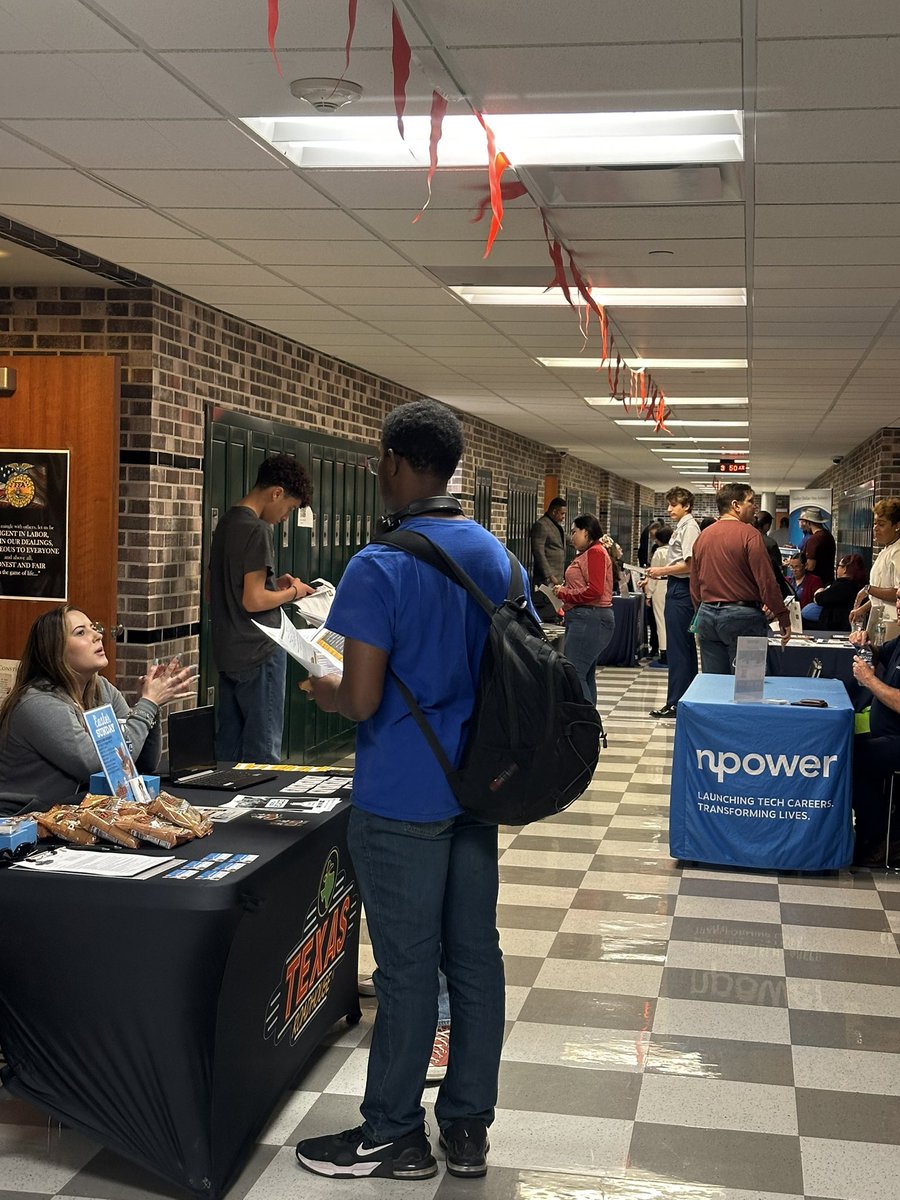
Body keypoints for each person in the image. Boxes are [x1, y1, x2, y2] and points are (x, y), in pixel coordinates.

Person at [295, 399, 525, 1182]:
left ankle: (391, 1133)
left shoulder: (379, 563)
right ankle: (467, 1130)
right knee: (475, 958)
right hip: (477, 789)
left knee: (404, 966)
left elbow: (359, 699)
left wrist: (322, 687)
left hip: (401, 796)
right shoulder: (497, 555)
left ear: (394, 461)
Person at [0, 605, 194, 808]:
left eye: (94, 628)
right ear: (55, 651)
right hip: (22, 824)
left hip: (70, 816)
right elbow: (100, 766)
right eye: (81, 632)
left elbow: (142, 763)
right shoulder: (38, 703)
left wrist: (153, 705)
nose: (97, 636)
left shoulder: (100, 688)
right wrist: (148, 704)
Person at [208, 453, 314, 762]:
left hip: (229, 652)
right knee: (263, 752)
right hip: (259, 652)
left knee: (228, 749)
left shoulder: (227, 522)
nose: (285, 518)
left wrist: (273, 586)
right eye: (289, 508)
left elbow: (226, 588)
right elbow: (253, 600)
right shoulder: (257, 529)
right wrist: (293, 591)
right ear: (276, 493)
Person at [690, 483, 791, 674]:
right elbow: (767, 581)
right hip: (743, 617)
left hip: (707, 616)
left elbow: (694, 584)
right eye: (751, 501)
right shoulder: (750, 535)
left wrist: (701, 611)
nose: (755, 507)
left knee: (714, 684)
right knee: (747, 687)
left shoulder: (703, 536)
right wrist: (782, 615)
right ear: (736, 505)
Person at [643, 487, 701, 719]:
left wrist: (661, 570)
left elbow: (689, 565)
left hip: (681, 589)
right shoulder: (682, 527)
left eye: (673, 505)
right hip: (675, 587)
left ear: (686, 505)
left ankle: (677, 702)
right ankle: (680, 699)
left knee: (679, 649)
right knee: (681, 648)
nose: (669, 510)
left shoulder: (690, 528)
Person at [848, 627, 900, 866]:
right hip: (885, 734)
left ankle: (882, 839)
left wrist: (869, 679)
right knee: (847, 748)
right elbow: (881, 653)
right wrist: (866, 646)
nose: (898, 605)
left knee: (853, 760)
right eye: (898, 598)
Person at [553, 514, 615, 704]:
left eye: (574, 532)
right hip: (583, 616)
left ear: (586, 532)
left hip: (590, 617)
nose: (571, 537)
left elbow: (595, 590)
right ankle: (588, 727)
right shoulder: (588, 553)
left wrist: (564, 593)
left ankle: (584, 724)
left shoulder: (595, 552)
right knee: (584, 674)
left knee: (574, 674)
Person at [849, 497, 900, 636]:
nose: (876, 528)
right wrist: (863, 609)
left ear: (897, 525)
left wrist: (868, 589)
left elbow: (897, 592)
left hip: (893, 623)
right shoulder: (886, 550)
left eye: (881, 524)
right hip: (879, 619)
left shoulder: (897, 552)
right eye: (875, 523)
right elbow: (880, 595)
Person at [806, 554, 867, 631]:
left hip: (835, 626)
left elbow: (821, 598)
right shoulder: (857, 584)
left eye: (839, 566)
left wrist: (817, 593)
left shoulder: (844, 585)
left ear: (845, 569)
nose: (837, 569)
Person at [529, 497, 567, 621]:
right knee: (546, 612)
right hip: (546, 580)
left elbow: (566, 541)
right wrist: (550, 575)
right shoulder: (542, 525)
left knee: (554, 611)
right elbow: (538, 552)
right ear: (554, 511)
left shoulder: (555, 526)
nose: (563, 517)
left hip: (557, 578)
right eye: (562, 513)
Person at [644, 526, 672, 667]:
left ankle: (664, 653)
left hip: (660, 586)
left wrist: (648, 594)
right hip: (672, 585)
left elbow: (653, 575)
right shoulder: (674, 551)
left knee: (660, 621)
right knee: (670, 622)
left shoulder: (659, 552)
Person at [756, 511, 792, 601]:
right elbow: (777, 568)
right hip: (767, 585)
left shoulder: (746, 539)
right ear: (767, 525)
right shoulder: (770, 543)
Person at [797, 507, 836, 584]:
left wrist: (797, 566)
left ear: (809, 523)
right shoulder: (828, 535)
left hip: (816, 583)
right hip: (828, 580)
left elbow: (810, 566)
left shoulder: (814, 539)